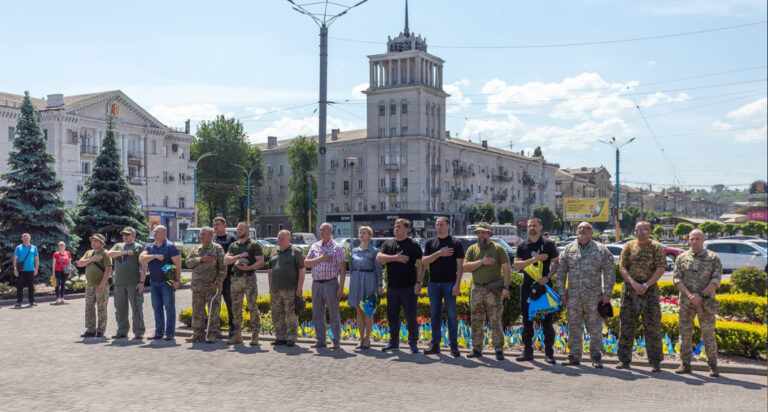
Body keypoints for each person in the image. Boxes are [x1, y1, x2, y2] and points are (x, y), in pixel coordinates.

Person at [557, 222, 615, 368]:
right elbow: (561, 272)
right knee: (574, 327)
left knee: (594, 328)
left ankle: (596, 357)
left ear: (592, 233)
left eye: (587, 229)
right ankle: (574, 356)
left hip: (594, 297)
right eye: (580, 229)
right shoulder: (568, 249)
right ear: (576, 232)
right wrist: (561, 291)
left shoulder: (601, 250)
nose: (583, 231)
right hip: (573, 297)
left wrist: (607, 294)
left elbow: (609, 273)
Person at [617, 221, 666, 371]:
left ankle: (655, 362)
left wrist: (646, 285)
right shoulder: (628, 246)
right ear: (634, 231)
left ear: (650, 231)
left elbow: (661, 268)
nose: (641, 232)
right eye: (638, 229)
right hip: (630, 291)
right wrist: (633, 283)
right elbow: (622, 267)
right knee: (626, 325)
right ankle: (624, 360)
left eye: (645, 229)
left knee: (652, 327)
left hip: (649, 291)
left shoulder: (656, 247)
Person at [673, 229, 722, 377]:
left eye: (698, 239)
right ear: (688, 240)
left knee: (708, 334)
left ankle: (713, 366)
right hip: (686, 303)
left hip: (706, 303)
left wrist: (700, 295)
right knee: (685, 334)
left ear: (703, 240)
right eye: (692, 239)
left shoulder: (713, 258)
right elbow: (676, 279)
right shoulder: (681, 258)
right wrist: (690, 295)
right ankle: (685, 364)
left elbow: (716, 280)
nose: (694, 241)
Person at [462, 223, 511, 360]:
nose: (481, 235)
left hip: (493, 290)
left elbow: (507, 269)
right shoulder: (472, 249)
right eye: (478, 233)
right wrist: (482, 262)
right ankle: (477, 349)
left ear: (490, 233)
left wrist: (506, 287)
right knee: (476, 320)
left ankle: (498, 349)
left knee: (495, 320)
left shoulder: (498, 249)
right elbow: (465, 267)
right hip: (477, 289)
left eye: (484, 232)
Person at [514, 217, 558, 364]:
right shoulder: (522, 245)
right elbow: (517, 266)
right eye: (529, 226)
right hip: (527, 288)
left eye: (534, 225)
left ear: (540, 227)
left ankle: (549, 354)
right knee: (527, 321)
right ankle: (527, 352)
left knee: (547, 322)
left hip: (544, 287)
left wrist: (548, 277)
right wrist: (535, 259)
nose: (531, 228)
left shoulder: (548, 244)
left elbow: (556, 263)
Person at [377, 218, 424, 354]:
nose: (396, 228)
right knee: (392, 316)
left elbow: (420, 266)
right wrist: (395, 258)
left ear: (407, 229)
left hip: (409, 287)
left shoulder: (413, 245)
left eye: (399, 226)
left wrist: (419, 283)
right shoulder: (388, 243)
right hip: (392, 287)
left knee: (410, 317)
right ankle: (393, 342)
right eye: (395, 226)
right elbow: (379, 258)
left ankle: (413, 343)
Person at [422, 216, 464, 357]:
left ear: (448, 226)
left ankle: (454, 347)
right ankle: (435, 345)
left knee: (452, 316)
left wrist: (457, 285)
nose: (439, 226)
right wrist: (439, 253)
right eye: (437, 224)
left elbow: (460, 266)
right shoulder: (430, 243)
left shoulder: (456, 243)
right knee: (434, 315)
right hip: (434, 284)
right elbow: (424, 261)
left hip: (450, 284)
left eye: (441, 224)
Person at [305, 222, 346, 350]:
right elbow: (306, 263)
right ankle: (321, 341)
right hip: (316, 283)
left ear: (331, 232)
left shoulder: (337, 247)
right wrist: (321, 259)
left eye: (326, 230)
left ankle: (336, 342)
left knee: (333, 314)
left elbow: (343, 269)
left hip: (331, 283)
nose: (323, 232)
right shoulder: (315, 246)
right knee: (317, 314)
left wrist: (341, 287)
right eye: (321, 230)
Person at [224, 222, 264, 346]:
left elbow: (261, 262)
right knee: (235, 308)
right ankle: (237, 336)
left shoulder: (254, 245)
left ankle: (255, 335)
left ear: (247, 230)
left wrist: (249, 267)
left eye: (241, 229)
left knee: (252, 307)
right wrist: (239, 256)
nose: (238, 231)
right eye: (237, 229)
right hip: (235, 279)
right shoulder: (233, 245)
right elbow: (226, 260)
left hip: (249, 279)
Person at [140, 225, 181, 341]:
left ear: (163, 233)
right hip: (154, 282)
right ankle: (159, 332)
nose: (154, 234)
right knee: (157, 307)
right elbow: (142, 259)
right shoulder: (150, 246)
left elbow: (177, 265)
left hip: (167, 282)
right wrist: (155, 256)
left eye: (156, 232)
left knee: (169, 308)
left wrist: (177, 280)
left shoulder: (170, 246)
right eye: (154, 232)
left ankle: (169, 333)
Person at [186, 226, 227, 343]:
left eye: (204, 234)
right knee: (197, 310)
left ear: (211, 236)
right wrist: (201, 259)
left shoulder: (217, 248)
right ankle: (197, 334)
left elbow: (223, 268)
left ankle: (212, 334)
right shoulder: (195, 249)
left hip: (212, 286)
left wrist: (218, 282)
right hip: (197, 286)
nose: (201, 236)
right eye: (201, 234)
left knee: (213, 311)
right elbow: (188, 263)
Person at [347, 225, 383, 350]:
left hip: (369, 281)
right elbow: (351, 269)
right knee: (358, 311)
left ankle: (368, 339)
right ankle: (361, 339)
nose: (361, 234)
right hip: (356, 281)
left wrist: (379, 285)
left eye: (364, 232)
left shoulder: (375, 251)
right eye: (360, 232)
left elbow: (379, 270)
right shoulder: (354, 250)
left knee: (368, 311)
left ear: (370, 236)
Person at [267, 230, 305, 347]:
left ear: (289, 239)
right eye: (278, 238)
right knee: (277, 314)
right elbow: (270, 271)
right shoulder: (274, 252)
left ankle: (291, 337)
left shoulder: (296, 252)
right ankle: (280, 337)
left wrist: (299, 287)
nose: (280, 240)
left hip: (290, 289)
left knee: (290, 314)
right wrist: (270, 287)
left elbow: (302, 270)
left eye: (282, 238)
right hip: (275, 289)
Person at [107, 227, 146, 340]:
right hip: (119, 283)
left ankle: (138, 332)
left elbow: (143, 266)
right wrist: (124, 252)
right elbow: (109, 254)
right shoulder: (118, 245)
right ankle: (122, 331)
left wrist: (142, 282)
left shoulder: (138, 247)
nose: (125, 237)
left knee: (136, 308)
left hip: (133, 283)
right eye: (124, 235)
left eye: (128, 235)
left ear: (133, 236)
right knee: (120, 309)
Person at [77, 234, 113, 338]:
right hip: (90, 285)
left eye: (96, 241)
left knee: (101, 307)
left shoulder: (105, 253)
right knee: (89, 307)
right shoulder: (89, 252)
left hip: (101, 285)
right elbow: (80, 263)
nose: (93, 243)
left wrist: (102, 284)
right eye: (92, 241)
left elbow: (108, 270)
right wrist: (92, 259)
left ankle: (101, 330)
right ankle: (90, 329)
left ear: (101, 243)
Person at [212, 216, 237, 337]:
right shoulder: (212, 239)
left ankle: (233, 329)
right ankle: (215, 329)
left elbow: (234, 256)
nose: (215, 227)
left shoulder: (231, 239)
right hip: (214, 278)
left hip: (228, 278)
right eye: (214, 224)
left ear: (224, 226)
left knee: (230, 303)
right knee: (214, 304)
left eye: (217, 224)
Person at [13, 233, 39, 308]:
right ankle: (19, 302)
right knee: (19, 286)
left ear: (30, 238)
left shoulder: (34, 247)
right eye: (24, 238)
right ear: (22, 239)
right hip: (21, 270)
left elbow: (36, 259)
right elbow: (15, 258)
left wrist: (36, 269)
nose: (26, 239)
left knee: (31, 287)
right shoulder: (18, 247)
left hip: (31, 270)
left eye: (27, 238)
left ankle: (32, 301)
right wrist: (15, 269)